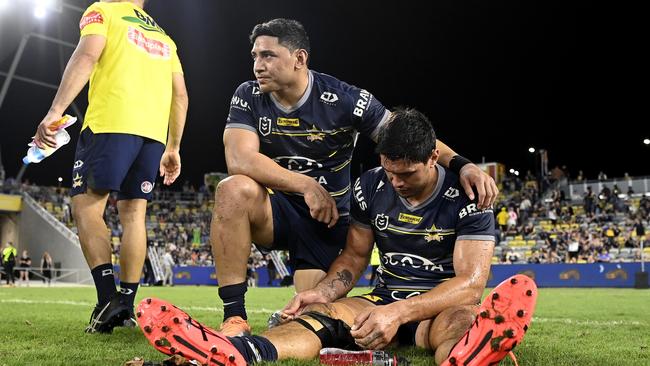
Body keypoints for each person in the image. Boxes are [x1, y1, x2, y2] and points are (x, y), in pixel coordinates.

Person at [138, 108, 536, 366]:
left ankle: (468, 356)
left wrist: (399, 313)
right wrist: (325, 292)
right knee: (320, 317)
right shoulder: (371, 186)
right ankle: (241, 352)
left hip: (437, 305)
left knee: (461, 321)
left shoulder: (469, 194)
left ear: (434, 157)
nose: (396, 182)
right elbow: (354, 257)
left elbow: (470, 284)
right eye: (389, 170)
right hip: (382, 299)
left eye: (407, 174)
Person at [211, 18, 499, 336]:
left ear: (299, 58)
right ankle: (234, 316)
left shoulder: (345, 99)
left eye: (268, 56)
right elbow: (239, 158)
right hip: (280, 211)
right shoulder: (247, 95)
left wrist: (463, 164)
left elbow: (405, 135)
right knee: (232, 189)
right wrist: (306, 185)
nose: (257, 65)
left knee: (311, 320)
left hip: (329, 220)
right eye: (254, 56)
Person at [31, 0, 188, 333]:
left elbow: (87, 56)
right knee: (134, 216)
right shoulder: (164, 37)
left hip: (111, 124)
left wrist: (55, 111)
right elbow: (180, 96)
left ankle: (107, 299)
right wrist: (172, 147)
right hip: (152, 136)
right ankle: (127, 307)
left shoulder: (102, 10)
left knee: (87, 207)